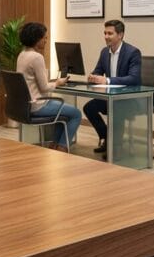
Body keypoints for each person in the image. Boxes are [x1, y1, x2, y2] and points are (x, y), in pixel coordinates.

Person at [16, 22, 82, 152]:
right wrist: (57, 83)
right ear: (36, 39)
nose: (46, 41)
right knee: (76, 114)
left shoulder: (22, 55)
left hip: (25, 105)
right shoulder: (36, 57)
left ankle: (54, 145)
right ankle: (62, 147)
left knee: (63, 113)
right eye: (44, 38)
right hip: (37, 105)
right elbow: (45, 88)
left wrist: (53, 82)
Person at [83, 19, 141, 158]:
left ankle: (116, 148)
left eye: (110, 33)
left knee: (117, 108)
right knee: (89, 108)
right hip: (110, 97)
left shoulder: (133, 52)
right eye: (105, 33)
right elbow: (97, 71)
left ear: (120, 35)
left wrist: (107, 80)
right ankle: (107, 137)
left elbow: (134, 78)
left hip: (129, 98)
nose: (106, 36)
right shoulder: (104, 52)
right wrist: (93, 77)